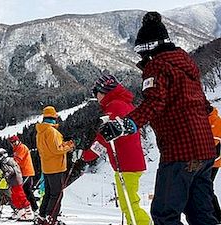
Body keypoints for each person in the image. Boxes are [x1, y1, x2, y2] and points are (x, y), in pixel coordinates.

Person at [99, 12, 218, 225]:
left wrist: (125, 124)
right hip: (205, 150)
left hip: (180, 151)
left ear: (148, 49)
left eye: (140, 52)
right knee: (201, 214)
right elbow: (204, 106)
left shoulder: (157, 66)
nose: (140, 59)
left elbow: (154, 102)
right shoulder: (187, 67)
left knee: (164, 214)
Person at [83, 74, 151, 225]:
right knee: (129, 201)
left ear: (104, 91)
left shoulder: (115, 106)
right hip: (131, 161)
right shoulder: (124, 103)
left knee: (129, 203)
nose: (96, 97)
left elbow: (105, 137)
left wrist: (87, 155)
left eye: (96, 93)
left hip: (126, 163)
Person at [35, 106, 76, 225]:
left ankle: (42, 216)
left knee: (48, 193)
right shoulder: (51, 131)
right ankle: (51, 218)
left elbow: (49, 149)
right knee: (57, 194)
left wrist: (64, 143)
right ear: (53, 117)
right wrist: (69, 146)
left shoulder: (41, 131)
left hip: (47, 166)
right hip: (56, 167)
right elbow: (57, 149)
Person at [0, 148, 34, 221]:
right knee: (15, 196)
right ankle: (20, 211)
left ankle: (28, 213)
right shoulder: (10, 160)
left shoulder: (4, 162)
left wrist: (5, 174)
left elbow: (11, 171)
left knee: (19, 196)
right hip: (16, 180)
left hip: (15, 181)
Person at [8, 135, 38, 212]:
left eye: (15, 141)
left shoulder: (21, 147)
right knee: (25, 191)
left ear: (18, 140)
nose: (13, 143)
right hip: (22, 172)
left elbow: (17, 160)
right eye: (12, 142)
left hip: (26, 172)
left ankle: (33, 208)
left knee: (25, 190)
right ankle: (30, 208)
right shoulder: (16, 149)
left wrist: (9, 164)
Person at [206, 102, 221, 222]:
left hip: (213, 162)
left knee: (206, 189)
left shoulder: (215, 121)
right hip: (211, 161)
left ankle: (216, 216)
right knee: (206, 188)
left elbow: (214, 140)